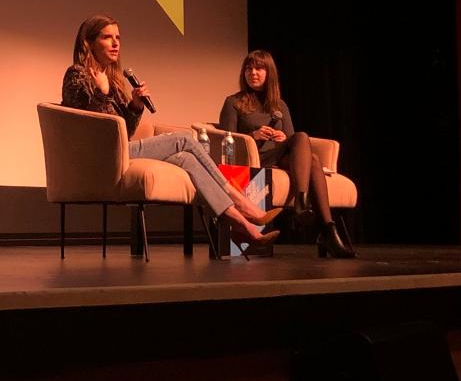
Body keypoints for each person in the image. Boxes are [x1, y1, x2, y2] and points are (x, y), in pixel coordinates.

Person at [61, 14, 280, 257]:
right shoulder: (76, 74)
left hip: (120, 149)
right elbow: (92, 127)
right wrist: (101, 93)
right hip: (99, 156)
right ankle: (243, 203)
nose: (115, 43)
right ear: (88, 43)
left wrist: (135, 105)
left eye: (118, 38)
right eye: (107, 37)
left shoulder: (112, 80)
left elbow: (126, 129)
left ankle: (243, 225)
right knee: (184, 138)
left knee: (186, 158)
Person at [219, 50, 356, 258]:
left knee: (309, 153)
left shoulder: (279, 105)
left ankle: (324, 227)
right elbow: (226, 140)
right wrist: (253, 135)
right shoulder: (233, 102)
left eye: (259, 68)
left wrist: (283, 137)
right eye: (248, 68)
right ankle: (317, 222)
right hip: (255, 159)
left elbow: (295, 140)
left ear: (269, 73)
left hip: (280, 156)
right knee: (311, 156)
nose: (252, 73)